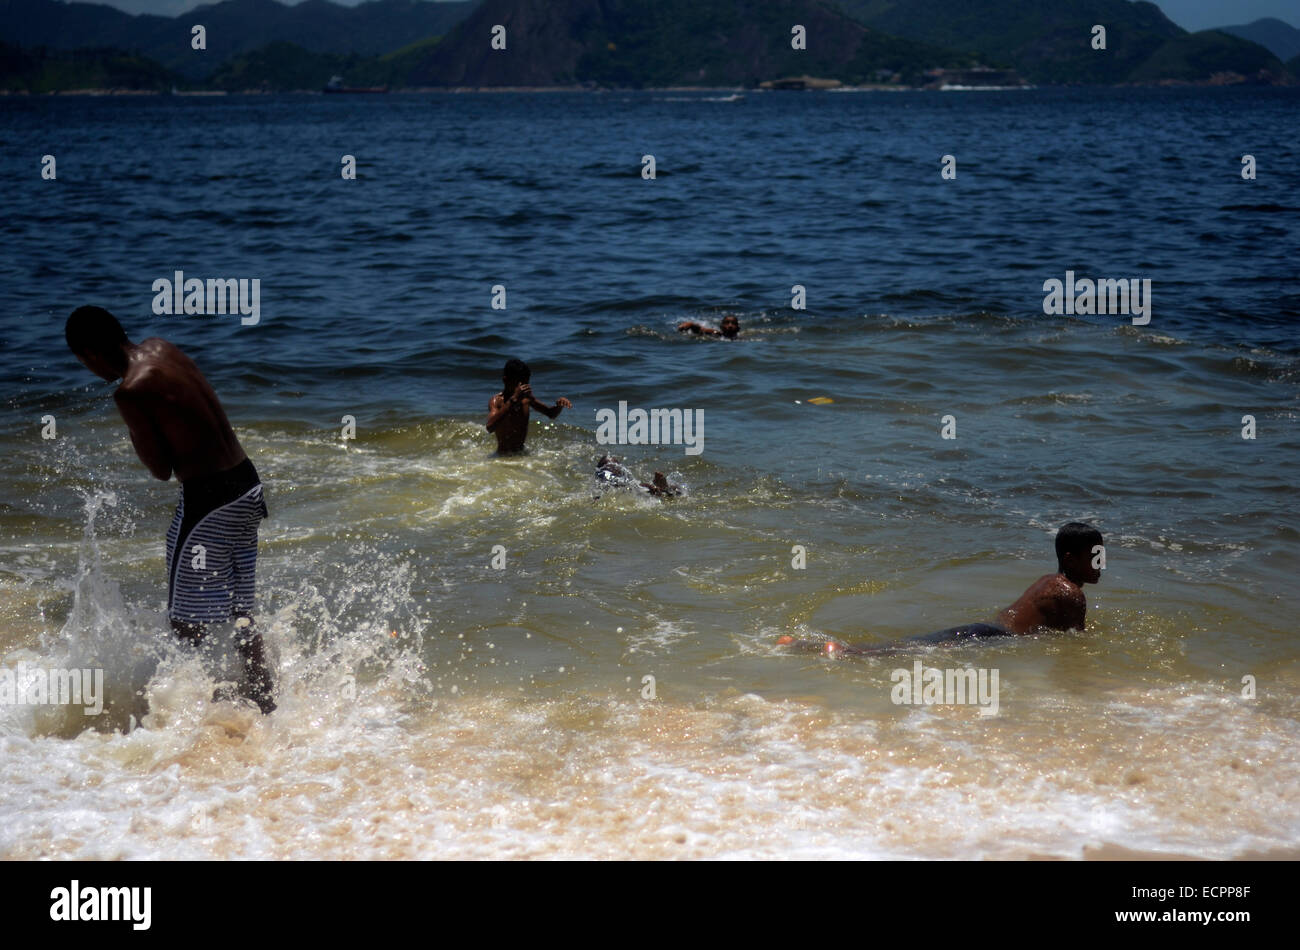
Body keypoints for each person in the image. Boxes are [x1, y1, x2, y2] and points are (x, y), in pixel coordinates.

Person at [65, 306, 276, 712]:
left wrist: (134, 427)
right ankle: (263, 695)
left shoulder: (129, 390)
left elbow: (160, 470)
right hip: (247, 488)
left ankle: (187, 713)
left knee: (184, 618)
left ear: (89, 355)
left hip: (209, 501)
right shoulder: (163, 348)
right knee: (239, 609)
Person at [779, 522, 1104, 656]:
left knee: (899, 648)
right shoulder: (1071, 594)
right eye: (1095, 557)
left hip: (984, 629)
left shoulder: (1050, 580)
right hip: (991, 636)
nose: (1101, 564)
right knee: (896, 653)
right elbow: (1076, 644)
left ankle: (807, 645)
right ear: (1070, 558)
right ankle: (822, 649)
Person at [485, 358, 572, 454]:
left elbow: (551, 414)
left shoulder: (526, 399)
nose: (523, 389)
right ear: (506, 380)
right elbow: (490, 427)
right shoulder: (496, 401)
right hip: (502, 456)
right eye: (520, 384)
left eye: (526, 384)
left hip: (522, 454)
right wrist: (514, 399)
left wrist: (559, 405)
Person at [594, 455, 682, 498]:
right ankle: (664, 488)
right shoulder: (604, 475)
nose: (613, 468)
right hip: (623, 490)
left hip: (624, 491)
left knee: (639, 488)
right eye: (611, 466)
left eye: (614, 466)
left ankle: (664, 488)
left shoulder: (601, 476)